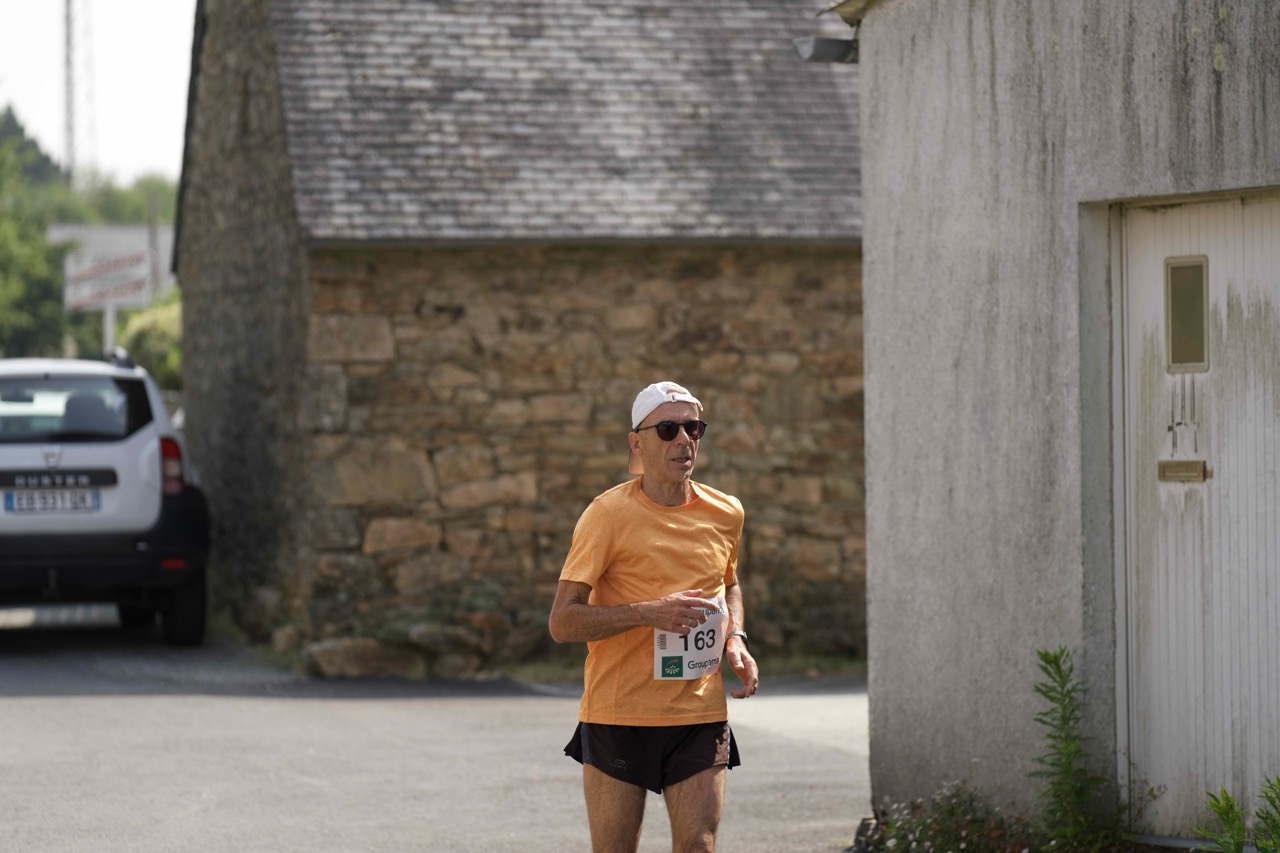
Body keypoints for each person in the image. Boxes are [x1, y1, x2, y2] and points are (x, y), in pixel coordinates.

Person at [549, 380, 760, 853]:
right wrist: (649, 613)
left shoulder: (726, 512)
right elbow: (563, 622)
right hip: (620, 712)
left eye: (693, 428)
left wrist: (735, 639)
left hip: (699, 712)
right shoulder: (606, 515)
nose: (683, 439)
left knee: (698, 845)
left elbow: (728, 585)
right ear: (636, 443)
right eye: (667, 429)